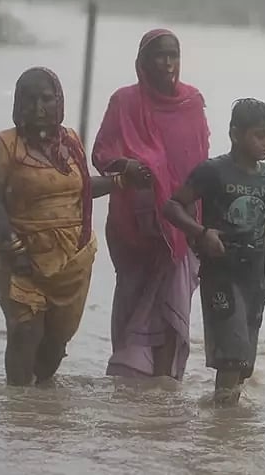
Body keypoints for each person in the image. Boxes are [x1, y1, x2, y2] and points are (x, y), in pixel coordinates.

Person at [163, 99, 265, 405]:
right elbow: (172, 205)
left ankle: (224, 415)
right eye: (259, 136)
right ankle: (224, 428)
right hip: (220, 276)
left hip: (254, 281)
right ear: (235, 134)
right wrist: (201, 232)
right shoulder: (212, 172)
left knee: (244, 363)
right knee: (231, 356)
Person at [0, 67, 121, 386]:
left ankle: (39, 412)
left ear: (60, 102)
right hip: (19, 256)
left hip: (71, 260)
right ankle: (16, 407)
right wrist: (15, 247)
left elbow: (81, 189)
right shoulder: (3, 146)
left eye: (46, 99)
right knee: (25, 331)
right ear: (17, 104)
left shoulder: (69, 142)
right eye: (29, 100)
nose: (39, 108)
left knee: (54, 345)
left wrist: (121, 181)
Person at [91, 30, 211, 379]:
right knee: (132, 299)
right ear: (143, 62)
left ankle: (164, 385)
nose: (168, 63)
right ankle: (128, 378)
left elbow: (201, 163)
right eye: (160, 55)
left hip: (181, 224)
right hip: (134, 226)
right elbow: (102, 153)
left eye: (173, 55)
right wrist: (127, 165)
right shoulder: (124, 102)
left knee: (171, 302)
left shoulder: (191, 104)